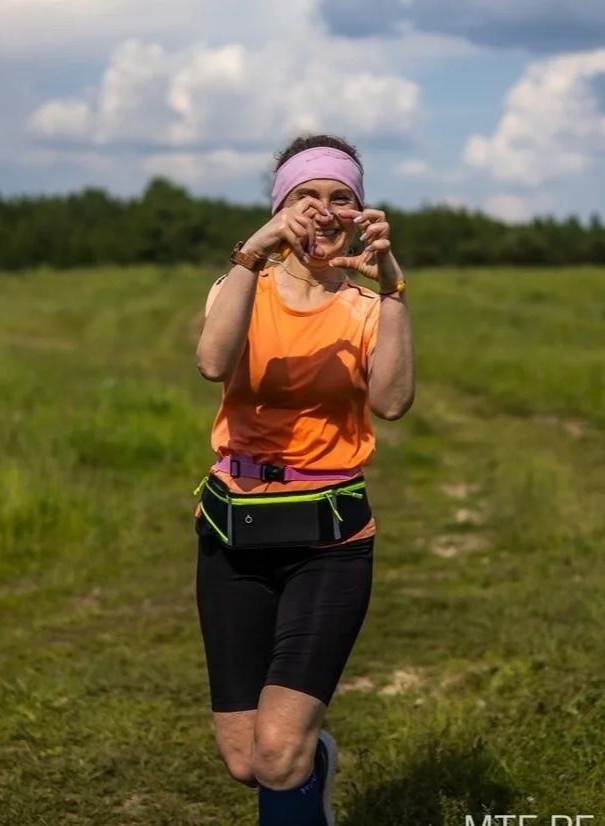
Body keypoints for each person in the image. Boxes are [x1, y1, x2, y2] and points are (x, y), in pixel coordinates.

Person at [193, 134, 415, 826]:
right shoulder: (241, 287)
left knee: (275, 754)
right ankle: (313, 763)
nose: (323, 210)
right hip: (234, 531)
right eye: (305, 196)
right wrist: (250, 253)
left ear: (359, 211)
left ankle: (297, 764)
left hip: (329, 542)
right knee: (245, 758)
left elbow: (392, 402)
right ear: (281, 207)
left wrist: (393, 286)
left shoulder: (368, 307)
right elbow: (211, 362)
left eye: (339, 197)